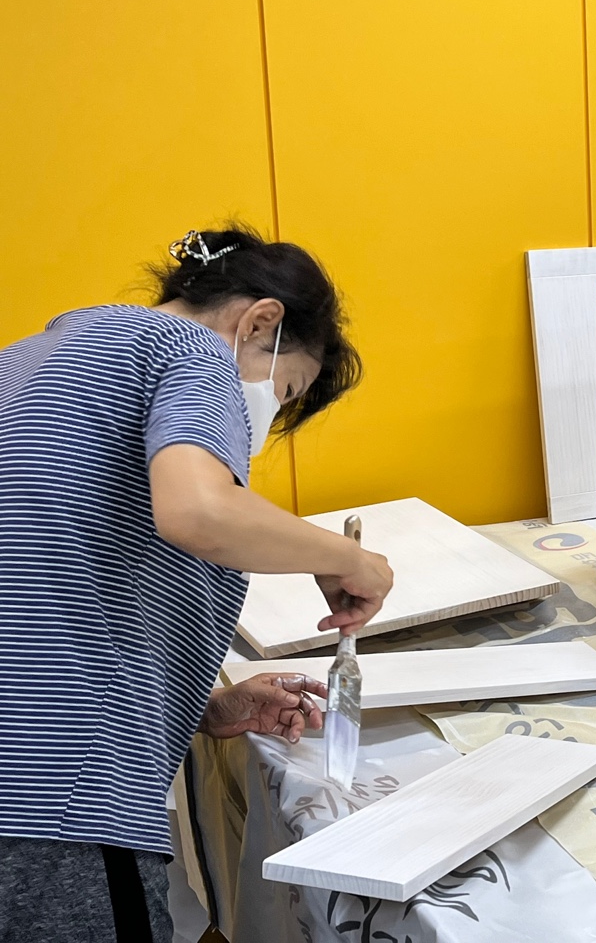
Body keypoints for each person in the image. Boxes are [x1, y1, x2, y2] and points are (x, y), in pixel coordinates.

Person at [0, 225, 394, 941]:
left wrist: (204, 705)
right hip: (47, 797)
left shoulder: (29, 357)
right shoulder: (190, 349)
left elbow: (51, 579)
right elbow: (199, 512)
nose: (263, 414)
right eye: (284, 389)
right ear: (260, 322)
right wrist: (347, 558)